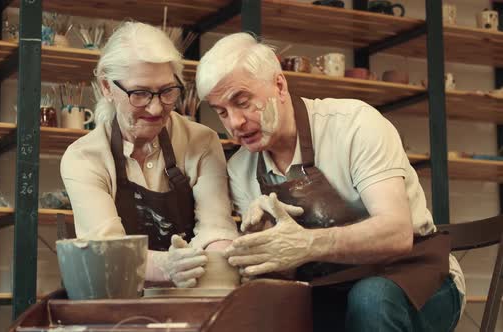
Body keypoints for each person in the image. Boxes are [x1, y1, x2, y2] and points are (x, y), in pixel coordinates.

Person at [196, 32, 465, 331]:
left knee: (371, 298)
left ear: (279, 85)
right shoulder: (240, 168)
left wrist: (308, 243)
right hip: (331, 288)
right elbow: (285, 273)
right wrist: (267, 248)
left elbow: (397, 232)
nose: (235, 123)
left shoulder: (354, 124)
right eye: (221, 112)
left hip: (418, 276)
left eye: (242, 102)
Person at [61, 22, 238, 288]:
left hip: (192, 289)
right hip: (119, 294)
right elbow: (107, 250)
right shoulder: (84, 158)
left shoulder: (201, 141)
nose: (156, 108)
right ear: (107, 87)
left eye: (167, 91)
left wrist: (217, 259)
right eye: (140, 93)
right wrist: (165, 265)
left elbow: (216, 229)